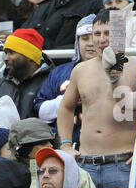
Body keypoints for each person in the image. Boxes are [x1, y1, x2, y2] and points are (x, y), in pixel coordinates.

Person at [57, 8, 136, 188]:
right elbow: (65, 107)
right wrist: (65, 144)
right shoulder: (80, 70)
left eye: (108, 33)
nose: (101, 39)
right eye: (96, 33)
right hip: (86, 164)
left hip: (124, 164)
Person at [8, 118, 101, 188]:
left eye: (51, 141)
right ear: (25, 148)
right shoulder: (10, 179)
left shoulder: (77, 173)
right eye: (43, 142)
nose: (51, 145)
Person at [34, 14, 97, 146]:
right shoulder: (59, 72)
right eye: (85, 38)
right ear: (77, 42)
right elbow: (40, 112)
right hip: (66, 144)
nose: (90, 43)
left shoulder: (115, 72)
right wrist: (68, 100)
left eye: (94, 37)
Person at [0, 28, 54, 121]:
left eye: (11, 53)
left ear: (30, 56)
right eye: (6, 53)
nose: (5, 58)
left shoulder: (52, 84)